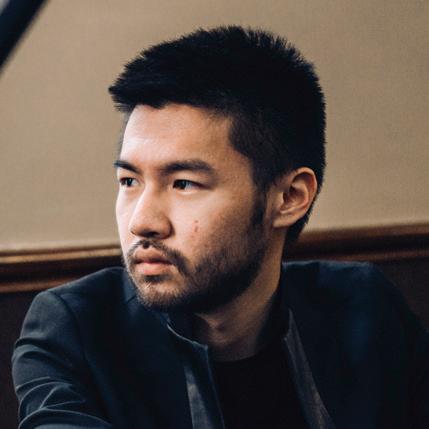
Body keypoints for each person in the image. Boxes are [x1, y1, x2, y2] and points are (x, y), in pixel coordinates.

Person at [12, 26, 428, 429]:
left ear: (289, 197)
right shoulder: (74, 328)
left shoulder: (362, 308)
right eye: (129, 181)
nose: (141, 221)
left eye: (184, 184)